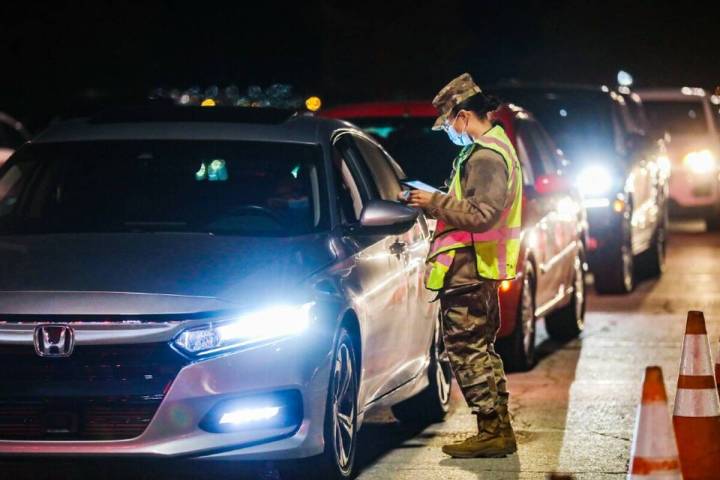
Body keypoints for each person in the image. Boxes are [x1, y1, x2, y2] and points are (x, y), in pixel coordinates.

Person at [399, 73, 523, 458]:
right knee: (480, 349)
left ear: (465, 116)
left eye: (451, 122)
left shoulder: (486, 156)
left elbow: (482, 214)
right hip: (477, 269)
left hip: (468, 271)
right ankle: (497, 428)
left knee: (466, 349)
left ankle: (492, 431)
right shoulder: (493, 148)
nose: (451, 131)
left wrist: (432, 201)